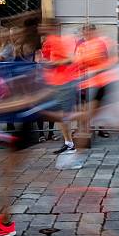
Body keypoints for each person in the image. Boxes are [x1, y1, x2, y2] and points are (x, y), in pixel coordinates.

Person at [38, 19, 78, 152]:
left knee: (64, 115)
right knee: (59, 115)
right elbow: (45, 59)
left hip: (65, 82)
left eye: (44, 26)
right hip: (55, 82)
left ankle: (70, 143)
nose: (41, 28)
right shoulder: (48, 42)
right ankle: (68, 142)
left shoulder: (61, 41)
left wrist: (55, 63)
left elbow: (71, 59)